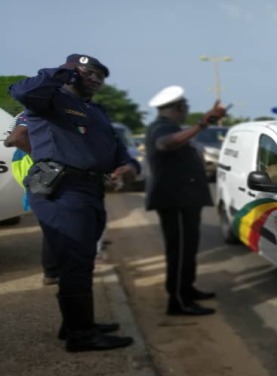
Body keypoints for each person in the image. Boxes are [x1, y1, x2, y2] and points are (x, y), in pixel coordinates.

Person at [9, 53, 138, 352]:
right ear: (72, 72)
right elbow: (22, 92)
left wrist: (129, 166)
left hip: (90, 189)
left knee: (79, 262)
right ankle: (82, 336)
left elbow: (118, 149)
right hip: (62, 189)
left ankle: (75, 325)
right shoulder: (49, 100)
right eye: (88, 72)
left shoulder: (96, 111)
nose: (95, 78)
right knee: (76, 262)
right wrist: (63, 72)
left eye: (100, 75)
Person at [145, 85, 226, 316]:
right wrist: (202, 124)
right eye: (185, 106)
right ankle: (178, 301)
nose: (186, 109)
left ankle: (186, 289)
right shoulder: (161, 128)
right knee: (179, 251)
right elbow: (165, 144)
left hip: (185, 200)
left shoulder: (170, 127)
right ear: (177, 107)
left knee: (188, 249)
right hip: (175, 201)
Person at [3, 111, 60, 286]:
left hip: (28, 167)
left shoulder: (26, 113)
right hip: (37, 169)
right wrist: (41, 158)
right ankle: (53, 272)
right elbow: (12, 139)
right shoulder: (33, 111)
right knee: (55, 226)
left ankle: (53, 271)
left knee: (52, 226)